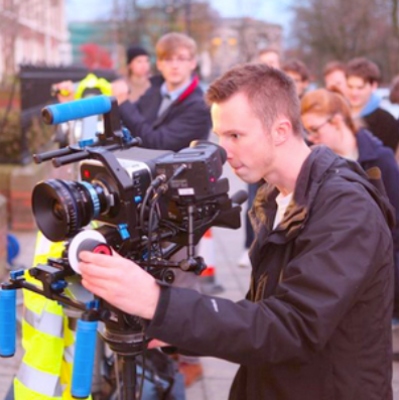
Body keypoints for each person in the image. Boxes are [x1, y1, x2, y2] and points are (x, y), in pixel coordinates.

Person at [79, 63, 395, 400]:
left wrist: (160, 303)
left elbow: (290, 327)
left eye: (235, 136)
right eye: (219, 135)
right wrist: (175, 327)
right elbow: (260, 312)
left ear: (280, 130)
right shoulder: (275, 194)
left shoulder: (347, 209)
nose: (223, 151)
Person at [300, 87, 399, 319]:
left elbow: (396, 221)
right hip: (335, 276)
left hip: (378, 275)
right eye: (307, 131)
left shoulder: (379, 157)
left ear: (337, 121)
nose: (311, 138)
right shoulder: (315, 163)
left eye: (314, 130)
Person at [111, 32, 211, 152]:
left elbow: (158, 143)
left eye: (181, 59)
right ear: (159, 64)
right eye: (168, 59)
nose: (174, 66)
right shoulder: (155, 90)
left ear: (192, 63)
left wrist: (123, 103)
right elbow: (127, 122)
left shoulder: (199, 106)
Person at [239, 49, 282, 268]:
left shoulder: (286, 93)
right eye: (266, 63)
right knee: (255, 203)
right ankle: (250, 245)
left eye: (274, 62)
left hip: (279, 160)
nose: (270, 66)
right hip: (258, 160)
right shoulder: (251, 96)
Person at [346, 56, 399, 153]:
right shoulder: (338, 114)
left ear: (373, 86)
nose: (354, 93)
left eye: (360, 88)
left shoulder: (387, 122)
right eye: (350, 86)